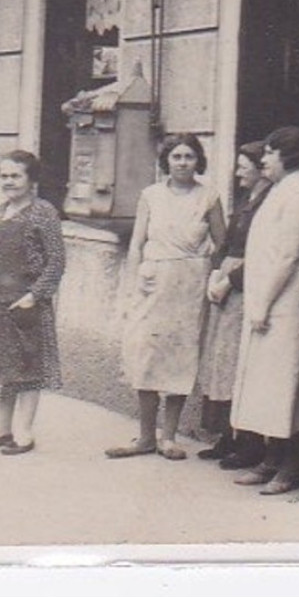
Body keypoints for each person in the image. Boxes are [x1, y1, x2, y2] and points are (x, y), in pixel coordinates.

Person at [108, 133, 226, 461]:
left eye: (189, 156)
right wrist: (135, 280)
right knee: (145, 354)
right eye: (176, 157)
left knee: (180, 357)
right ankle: (145, 435)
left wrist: (211, 276)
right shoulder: (151, 195)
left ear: (198, 161)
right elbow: (136, 242)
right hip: (153, 280)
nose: (183, 163)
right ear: (166, 161)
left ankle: (169, 437)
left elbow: (222, 243)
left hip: (190, 285)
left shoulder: (209, 195)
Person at [0, 150, 66, 456]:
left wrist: (34, 296)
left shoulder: (43, 212)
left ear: (31, 179)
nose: (9, 182)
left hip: (26, 304)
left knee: (28, 368)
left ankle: (25, 433)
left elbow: (56, 262)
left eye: (16, 176)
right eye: (4, 176)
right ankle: (1, 429)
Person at [228, 125, 299, 495]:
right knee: (265, 385)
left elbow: (285, 256)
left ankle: (289, 465)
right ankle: (270, 458)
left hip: (281, 303)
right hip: (266, 299)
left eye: (269, 153)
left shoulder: (297, 195)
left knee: (283, 387)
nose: (263, 160)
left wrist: (263, 303)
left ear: (287, 156)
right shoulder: (281, 191)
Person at [193, 141, 270, 466]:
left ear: (259, 168)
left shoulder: (269, 202)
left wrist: (230, 280)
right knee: (221, 362)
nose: (238, 171)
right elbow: (224, 242)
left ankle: (248, 444)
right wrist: (215, 273)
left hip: (244, 286)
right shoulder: (246, 200)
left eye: (244, 165)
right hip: (226, 284)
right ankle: (226, 436)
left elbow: (262, 254)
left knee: (239, 364)